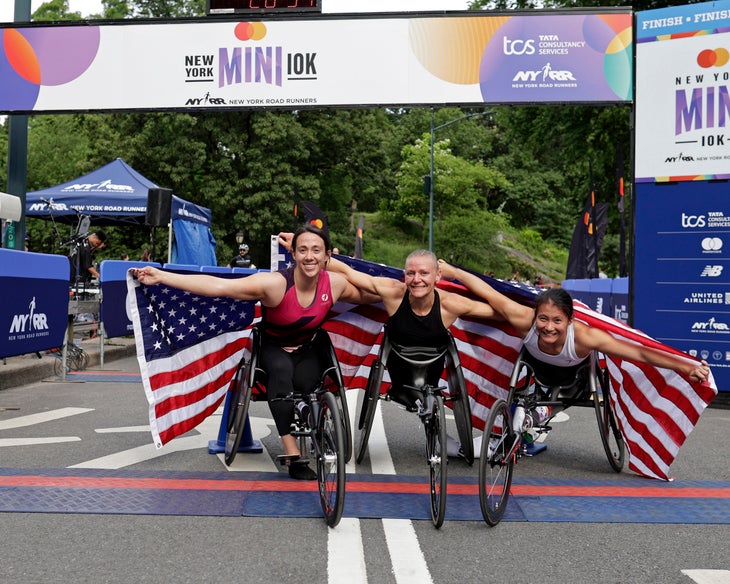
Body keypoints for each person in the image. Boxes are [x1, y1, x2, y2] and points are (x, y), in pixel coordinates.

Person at [133, 225, 373, 480]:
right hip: (272, 347)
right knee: (282, 373)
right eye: (302, 250)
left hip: (309, 348)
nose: (309, 256)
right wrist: (162, 277)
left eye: (316, 250)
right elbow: (218, 287)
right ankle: (292, 452)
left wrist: (409, 291)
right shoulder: (274, 284)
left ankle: (308, 412)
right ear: (293, 254)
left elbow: (372, 293)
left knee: (308, 383)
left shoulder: (335, 284)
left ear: (327, 256)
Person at [438, 261, 712, 451]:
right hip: (534, 369)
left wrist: (683, 366)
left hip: (574, 378)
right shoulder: (525, 319)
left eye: (557, 321)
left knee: (568, 390)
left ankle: (543, 412)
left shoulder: (584, 336)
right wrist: (451, 271)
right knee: (516, 364)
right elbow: (487, 290)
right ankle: (519, 422)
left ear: (569, 320)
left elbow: (638, 351)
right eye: (543, 319)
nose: (548, 327)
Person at [316, 248, 501, 456]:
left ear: (438, 276)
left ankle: (436, 425)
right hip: (398, 370)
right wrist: (307, 253)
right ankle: (427, 415)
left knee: (428, 390)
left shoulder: (451, 304)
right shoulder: (394, 292)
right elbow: (349, 273)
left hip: (432, 368)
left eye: (424, 273)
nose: (416, 280)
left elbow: (499, 309)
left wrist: (457, 273)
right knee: (413, 388)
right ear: (404, 275)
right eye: (411, 273)